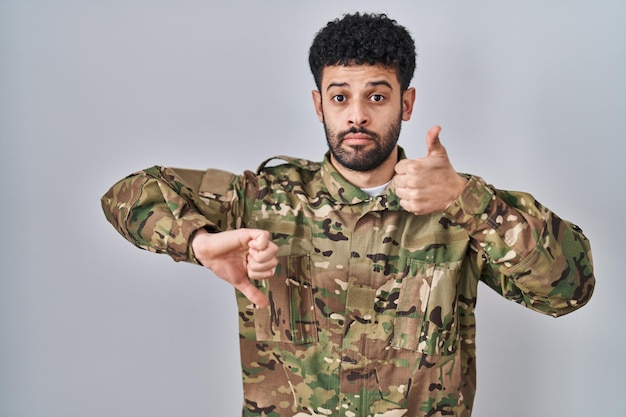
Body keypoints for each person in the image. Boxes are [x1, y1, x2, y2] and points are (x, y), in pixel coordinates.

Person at [101, 12, 595, 417]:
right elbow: (128, 193)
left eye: (376, 96)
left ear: (407, 102)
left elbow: (570, 288)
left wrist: (467, 199)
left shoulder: (456, 208)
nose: (357, 115)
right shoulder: (264, 199)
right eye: (341, 97)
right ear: (319, 105)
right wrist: (195, 241)